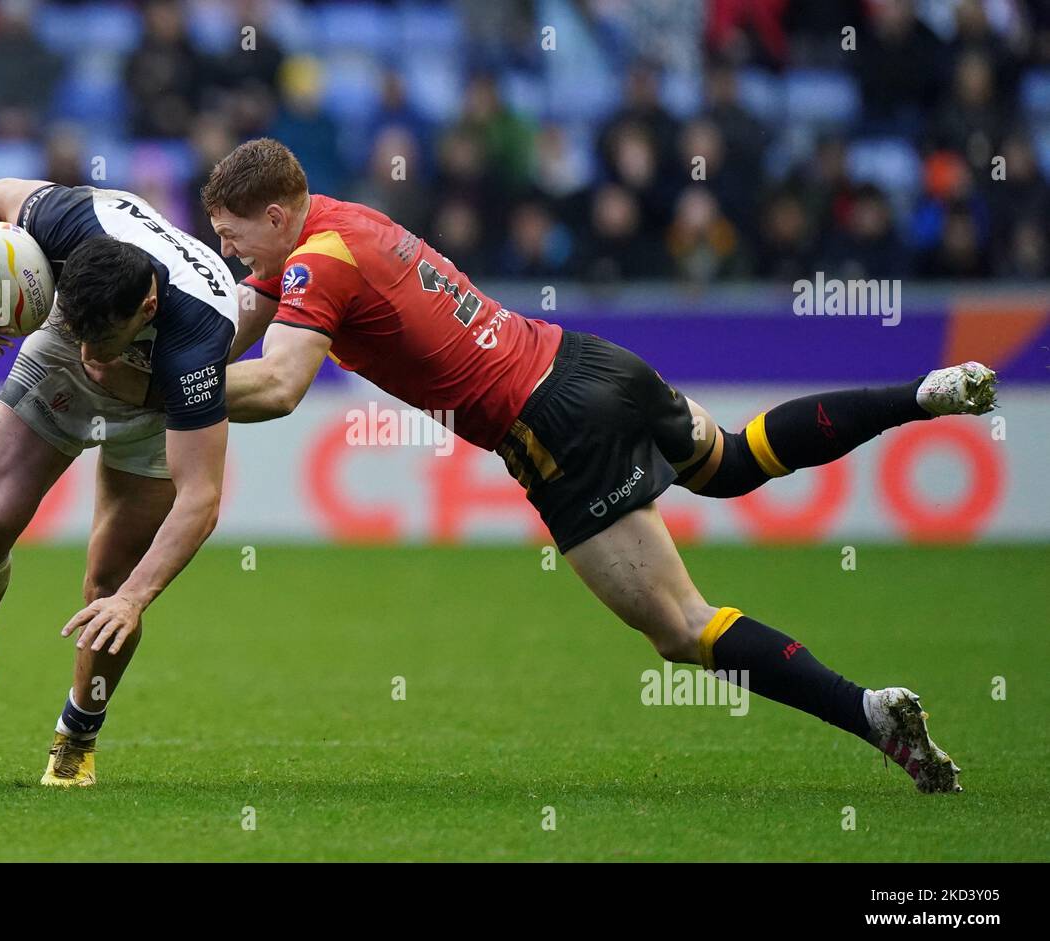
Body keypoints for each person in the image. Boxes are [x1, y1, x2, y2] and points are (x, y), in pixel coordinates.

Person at [203, 138, 997, 793]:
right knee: (734, 458)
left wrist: (168, 391)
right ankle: (921, 394)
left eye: (231, 234)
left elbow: (276, 387)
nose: (225, 251)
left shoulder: (315, 264)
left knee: (683, 628)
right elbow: (233, 326)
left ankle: (870, 713)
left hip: (553, 428)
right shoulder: (336, 226)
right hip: (588, 360)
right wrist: (160, 360)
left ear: (276, 216)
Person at [0, 178, 236, 787]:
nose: (95, 353)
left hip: (154, 402)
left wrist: (135, 598)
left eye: (105, 339)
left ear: (146, 310)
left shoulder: (197, 339)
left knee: (107, 588)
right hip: (54, 356)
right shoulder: (68, 219)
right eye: (83, 328)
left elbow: (201, 498)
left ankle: (76, 737)